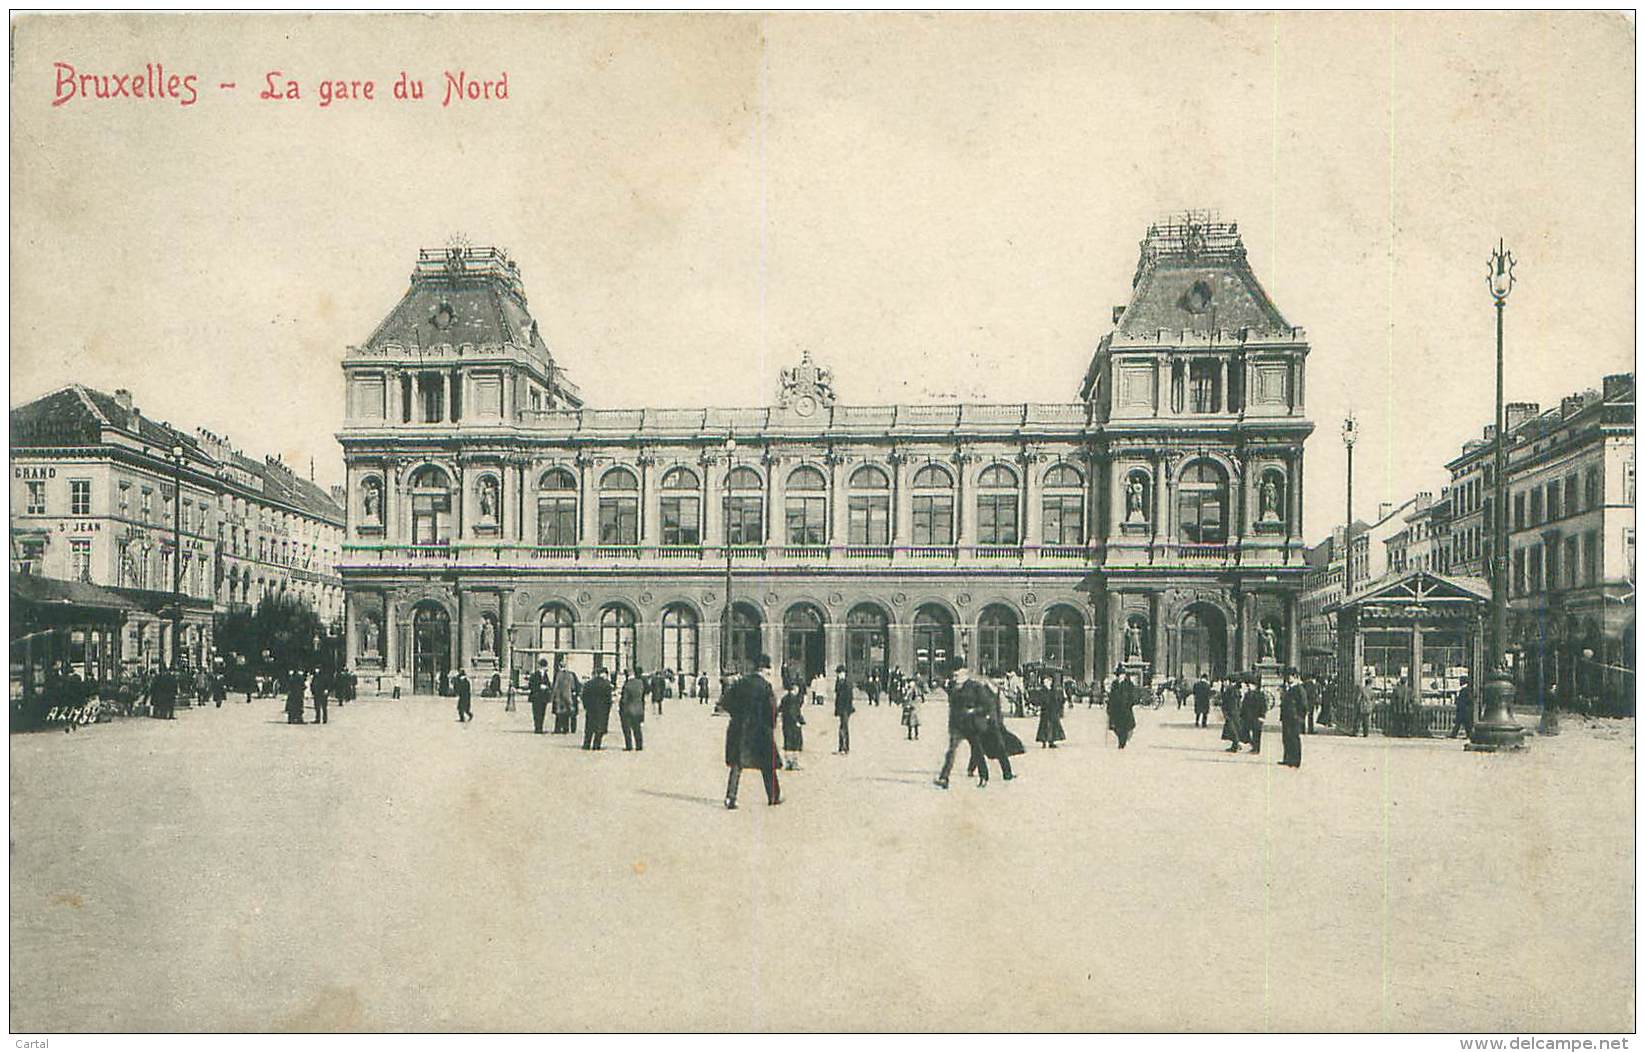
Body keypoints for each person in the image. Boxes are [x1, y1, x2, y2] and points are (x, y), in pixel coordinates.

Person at [722, 655, 781, 808]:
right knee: (767, 764)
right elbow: (772, 709)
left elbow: (725, 702)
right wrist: (771, 725)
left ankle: (731, 797)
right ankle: (773, 796)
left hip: (740, 728)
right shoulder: (765, 686)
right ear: (765, 669)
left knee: (737, 764)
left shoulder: (740, 683)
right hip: (759, 730)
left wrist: (737, 716)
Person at [935, 661, 994, 788]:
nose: (954, 678)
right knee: (951, 751)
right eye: (954, 675)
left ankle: (984, 776)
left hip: (972, 724)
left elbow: (987, 704)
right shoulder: (952, 687)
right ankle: (944, 778)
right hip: (957, 724)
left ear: (965, 675)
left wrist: (974, 711)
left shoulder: (975, 687)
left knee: (977, 750)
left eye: (957, 675)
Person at [581, 667, 613, 750]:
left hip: (590, 709)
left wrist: (586, 706)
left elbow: (584, 697)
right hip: (602, 710)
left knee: (589, 728)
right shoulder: (606, 684)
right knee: (599, 729)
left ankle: (586, 744)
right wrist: (608, 709)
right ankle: (596, 745)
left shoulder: (588, 684)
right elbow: (609, 699)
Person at [1279, 667, 1305, 768]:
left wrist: (1299, 717)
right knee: (1286, 738)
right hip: (1287, 718)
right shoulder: (1288, 688)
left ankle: (1295, 760)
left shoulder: (1299, 689)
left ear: (1295, 677)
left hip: (1294, 719)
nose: (1288, 678)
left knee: (1294, 739)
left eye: (1290, 676)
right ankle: (1287, 758)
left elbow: (1303, 705)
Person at [1106, 666, 1138, 749]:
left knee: (1125, 727)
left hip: (1125, 709)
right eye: (1119, 675)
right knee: (1116, 727)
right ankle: (1121, 740)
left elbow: (1133, 695)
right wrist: (1109, 707)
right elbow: (1111, 696)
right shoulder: (1115, 684)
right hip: (1116, 709)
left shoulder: (1128, 684)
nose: (1120, 676)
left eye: (1122, 674)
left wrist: (1130, 704)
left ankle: (1122, 743)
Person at [619, 664, 647, 751]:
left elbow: (624, 699)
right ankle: (639, 746)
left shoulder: (627, 685)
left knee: (627, 729)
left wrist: (621, 707)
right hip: (638, 709)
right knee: (637, 729)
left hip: (628, 710)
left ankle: (629, 746)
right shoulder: (640, 683)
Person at [779, 680, 806, 769]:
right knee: (795, 743)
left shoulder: (784, 698)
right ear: (794, 689)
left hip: (785, 724)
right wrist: (798, 721)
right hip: (793, 724)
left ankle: (788, 763)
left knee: (787, 743)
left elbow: (780, 710)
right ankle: (794, 763)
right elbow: (794, 712)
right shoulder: (794, 699)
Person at [1034, 674, 1064, 748]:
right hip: (1045, 711)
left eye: (1049, 681)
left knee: (1053, 726)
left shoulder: (1053, 690)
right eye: (1046, 681)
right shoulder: (1043, 690)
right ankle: (1044, 741)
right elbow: (1040, 700)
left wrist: (1058, 706)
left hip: (1052, 711)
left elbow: (1057, 699)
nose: (1048, 682)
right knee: (1044, 726)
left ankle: (1051, 741)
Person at [550, 656, 579, 735]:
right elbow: (573, 686)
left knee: (559, 714)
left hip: (560, 697)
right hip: (567, 696)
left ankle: (558, 729)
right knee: (566, 713)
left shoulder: (558, 675)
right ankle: (566, 729)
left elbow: (555, 686)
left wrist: (553, 697)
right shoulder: (570, 675)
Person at [833, 665, 855, 754]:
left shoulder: (847, 683)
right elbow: (837, 697)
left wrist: (847, 709)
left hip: (846, 708)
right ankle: (841, 747)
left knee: (844, 727)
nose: (838, 675)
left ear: (843, 673)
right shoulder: (838, 682)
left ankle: (845, 748)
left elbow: (849, 697)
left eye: (839, 673)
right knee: (842, 727)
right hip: (841, 708)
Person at [1220, 676, 1245, 752]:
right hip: (1236, 712)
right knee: (1234, 729)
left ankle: (1236, 745)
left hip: (1231, 712)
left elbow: (1226, 703)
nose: (1224, 683)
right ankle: (1235, 744)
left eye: (1225, 681)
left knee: (1232, 729)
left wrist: (1225, 712)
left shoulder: (1229, 690)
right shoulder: (1236, 690)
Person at [529, 658, 553, 734]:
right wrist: (539, 686)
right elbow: (531, 685)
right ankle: (537, 728)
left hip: (543, 697)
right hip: (536, 697)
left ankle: (540, 727)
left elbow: (548, 684)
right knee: (536, 713)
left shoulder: (545, 675)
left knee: (542, 712)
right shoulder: (535, 675)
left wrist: (546, 687)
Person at [1449, 675, 1475, 739]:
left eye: (1460, 681)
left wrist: (1460, 702)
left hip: (1464, 710)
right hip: (1464, 710)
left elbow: (1469, 700)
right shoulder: (1465, 689)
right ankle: (1455, 734)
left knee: (1464, 724)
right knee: (1461, 723)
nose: (1459, 682)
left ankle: (1455, 735)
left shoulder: (1466, 690)